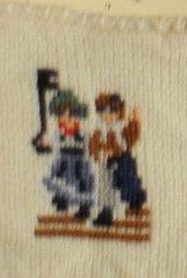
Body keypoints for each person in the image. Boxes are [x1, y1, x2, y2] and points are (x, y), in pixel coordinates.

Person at [88, 90, 146, 228]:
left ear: (119, 113)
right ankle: (106, 213)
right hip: (104, 165)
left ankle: (133, 202)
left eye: (112, 111)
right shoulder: (99, 130)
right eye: (104, 111)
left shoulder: (121, 128)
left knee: (122, 185)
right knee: (105, 189)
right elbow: (93, 146)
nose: (108, 115)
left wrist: (135, 121)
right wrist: (99, 154)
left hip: (120, 163)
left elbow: (132, 138)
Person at [41, 87, 95, 220]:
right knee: (61, 181)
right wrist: (45, 143)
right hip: (63, 163)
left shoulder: (83, 135)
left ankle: (83, 208)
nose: (66, 119)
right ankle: (62, 202)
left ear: (77, 117)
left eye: (70, 115)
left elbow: (90, 146)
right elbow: (50, 143)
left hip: (79, 164)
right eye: (62, 116)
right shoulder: (59, 135)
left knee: (82, 185)